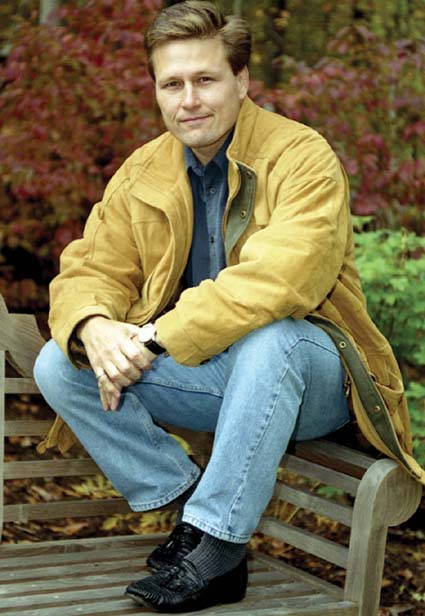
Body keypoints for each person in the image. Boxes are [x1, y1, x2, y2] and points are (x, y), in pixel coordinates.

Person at [34, 0, 424, 612]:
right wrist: (97, 326)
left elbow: (282, 278)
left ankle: (217, 550)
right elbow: (91, 268)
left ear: (241, 81)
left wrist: (153, 335)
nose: (189, 100)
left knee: (275, 339)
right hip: (215, 373)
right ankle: (192, 507)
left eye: (205, 79)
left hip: (317, 377)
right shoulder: (143, 171)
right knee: (61, 363)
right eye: (172, 84)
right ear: (156, 91)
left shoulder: (301, 156)